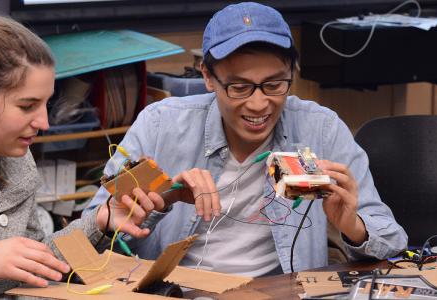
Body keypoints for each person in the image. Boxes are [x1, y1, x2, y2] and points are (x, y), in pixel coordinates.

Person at [87, 2, 407, 276]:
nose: (258, 104)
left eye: (274, 85)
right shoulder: (160, 125)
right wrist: (162, 201)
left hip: (280, 290)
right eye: (239, 88)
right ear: (208, 77)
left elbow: (393, 242)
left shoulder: (320, 129)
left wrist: (352, 227)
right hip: (178, 291)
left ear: (291, 74)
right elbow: (91, 235)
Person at [0, 10, 164, 299]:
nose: (44, 123)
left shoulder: (16, 158)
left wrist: (99, 222)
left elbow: (34, 258)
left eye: (47, 103)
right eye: (27, 106)